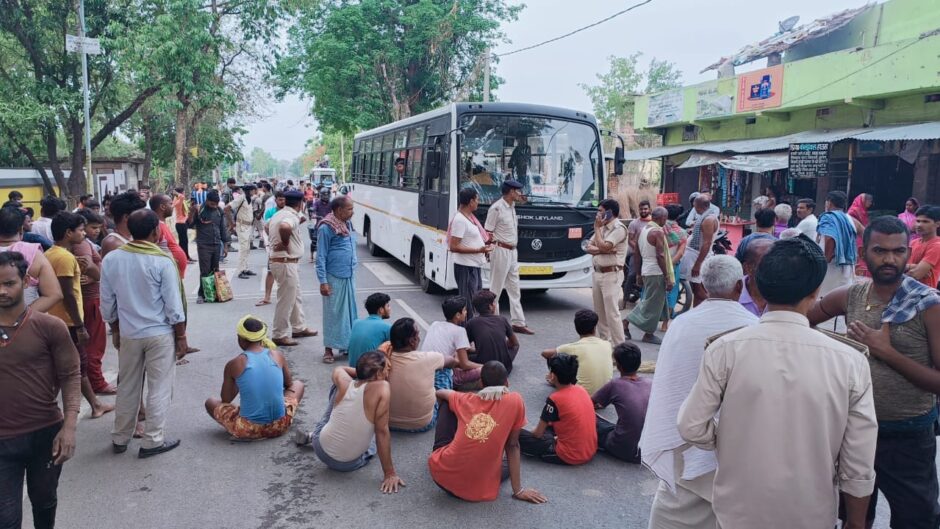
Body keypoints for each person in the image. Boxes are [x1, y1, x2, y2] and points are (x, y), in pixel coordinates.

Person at [678, 237, 877, 529]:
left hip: (738, 512)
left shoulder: (725, 349)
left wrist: (732, 438)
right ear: (816, 290)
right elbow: (858, 462)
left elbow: (690, 425)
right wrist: (856, 523)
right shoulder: (850, 360)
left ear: (758, 283)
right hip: (811, 513)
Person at [810, 216, 940, 528]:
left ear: (909, 253)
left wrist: (886, 352)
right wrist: (829, 351)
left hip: (908, 433)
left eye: (898, 251)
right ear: (864, 252)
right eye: (880, 251)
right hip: (854, 429)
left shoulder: (928, 305)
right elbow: (798, 321)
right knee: (854, 517)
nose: (889, 259)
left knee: (916, 519)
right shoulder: (851, 296)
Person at [641, 255, 759, 527]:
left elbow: (670, 384)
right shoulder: (755, 327)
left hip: (685, 435)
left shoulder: (682, 324)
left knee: (674, 507)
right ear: (740, 287)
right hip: (734, 445)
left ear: (703, 287)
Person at [0, 251, 81, 529]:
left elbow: (71, 375)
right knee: (6, 519)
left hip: (45, 434)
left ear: (26, 281)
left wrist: (69, 427)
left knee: (44, 502)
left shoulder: (50, 327)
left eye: (9, 283)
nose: (2, 291)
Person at [101, 209, 189, 458]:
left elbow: (107, 303)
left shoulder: (112, 259)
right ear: (156, 231)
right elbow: (173, 306)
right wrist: (181, 337)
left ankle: (120, 437)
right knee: (159, 388)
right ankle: (152, 441)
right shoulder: (162, 261)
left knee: (127, 385)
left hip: (129, 333)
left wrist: (115, 328)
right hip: (159, 333)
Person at [429, 360, 547, 504]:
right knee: (505, 462)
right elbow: (513, 446)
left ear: (480, 384)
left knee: (447, 403)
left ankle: (446, 451)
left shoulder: (465, 399)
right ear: (507, 383)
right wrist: (519, 491)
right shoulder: (515, 400)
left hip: (442, 477)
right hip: (479, 489)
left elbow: (440, 392)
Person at [292, 352, 404, 493]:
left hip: (320, 448)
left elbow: (340, 369)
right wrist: (390, 473)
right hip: (347, 464)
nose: (389, 372)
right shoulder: (383, 387)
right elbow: (382, 432)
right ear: (378, 374)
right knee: (374, 438)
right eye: (387, 369)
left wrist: (362, 374)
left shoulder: (345, 381)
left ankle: (313, 434)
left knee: (337, 387)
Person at [46, 212, 114, 419]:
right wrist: (80, 325)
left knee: (71, 367)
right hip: (68, 321)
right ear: (68, 233)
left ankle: (95, 405)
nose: (84, 234)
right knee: (76, 367)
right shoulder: (65, 258)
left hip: (58, 318)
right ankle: (50, 411)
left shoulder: (50, 254)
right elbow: (67, 294)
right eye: (81, 230)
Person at [205, 316, 305, 439]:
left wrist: (238, 380)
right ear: (262, 337)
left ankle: (250, 425)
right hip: (280, 425)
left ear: (240, 339)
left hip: (248, 429)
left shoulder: (234, 363)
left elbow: (226, 399)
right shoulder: (277, 355)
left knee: (210, 402)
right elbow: (289, 384)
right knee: (298, 385)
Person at [519, 354, 597, 465]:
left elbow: (537, 434)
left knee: (516, 433)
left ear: (553, 376)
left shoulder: (554, 399)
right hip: (590, 449)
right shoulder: (581, 389)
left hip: (569, 455)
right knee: (553, 424)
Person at [385, 318, 458, 432]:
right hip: (422, 424)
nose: (419, 337)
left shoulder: (383, 359)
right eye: (418, 334)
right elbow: (452, 361)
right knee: (444, 371)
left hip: (388, 422)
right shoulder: (428, 358)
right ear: (412, 341)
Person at [72, 209, 114, 395]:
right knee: (95, 344)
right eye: (91, 227)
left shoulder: (85, 243)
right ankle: (97, 382)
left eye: (98, 227)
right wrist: (96, 276)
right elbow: (87, 267)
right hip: (91, 299)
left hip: (89, 298)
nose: (96, 231)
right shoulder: (82, 245)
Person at [484, 179, 533, 335]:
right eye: (517, 191)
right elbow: (488, 232)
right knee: (495, 288)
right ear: (511, 191)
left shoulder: (511, 207)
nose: (519, 193)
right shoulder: (497, 208)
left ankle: (518, 322)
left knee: (514, 287)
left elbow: (525, 201)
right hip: (500, 250)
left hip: (512, 251)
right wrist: (488, 250)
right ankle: (492, 321)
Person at [269, 191, 317, 346]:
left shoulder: (280, 213)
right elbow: (284, 227)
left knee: (295, 296)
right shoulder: (290, 217)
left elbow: (266, 226)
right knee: (286, 300)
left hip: (284, 261)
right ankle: (279, 334)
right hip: (285, 262)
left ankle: (299, 327)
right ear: (300, 203)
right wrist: (283, 242)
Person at [592, 342, 650, 463]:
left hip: (625, 449)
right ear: (639, 364)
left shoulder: (615, 384)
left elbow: (588, 404)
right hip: (648, 451)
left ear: (618, 366)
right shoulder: (650, 383)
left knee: (594, 421)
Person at [317, 196, 357, 363]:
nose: (352, 212)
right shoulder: (326, 228)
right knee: (333, 314)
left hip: (348, 275)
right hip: (333, 277)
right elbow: (320, 257)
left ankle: (346, 344)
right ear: (339, 210)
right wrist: (323, 281)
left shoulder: (346, 224)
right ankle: (328, 349)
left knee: (348, 314)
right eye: (349, 209)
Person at [626, 207, 674, 344]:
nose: (666, 221)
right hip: (656, 272)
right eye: (665, 218)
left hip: (647, 270)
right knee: (650, 303)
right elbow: (660, 255)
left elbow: (637, 253)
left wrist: (639, 274)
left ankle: (651, 330)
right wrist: (667, 276)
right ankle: (629, 324)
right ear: (661, 218)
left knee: (656, 302)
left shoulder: (643, 230)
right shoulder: (657, 232)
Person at [0, 206, 63, 311]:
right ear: (21, 229)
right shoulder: (34, 254)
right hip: (28, 321)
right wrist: (21, 317)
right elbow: (54, 294)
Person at [541, 309, 613, 396]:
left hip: (581, 397)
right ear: (594, 328)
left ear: (576, 328)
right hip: (603, 397)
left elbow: (545, 353)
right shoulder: (607, 344)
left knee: (560, 359)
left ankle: (555, 380)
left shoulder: (573, 347)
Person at [586, 199, 628, 345]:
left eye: (601, 211)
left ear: (610, 212)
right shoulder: (603, 228)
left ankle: (620, 348)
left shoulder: (619, 228)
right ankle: (606, 346)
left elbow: (603, 246)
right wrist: (603, 249)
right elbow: (587, 246)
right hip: (597, 273)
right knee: (600, 314)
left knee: (612, 314)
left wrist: (598, 232)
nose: (598, 214)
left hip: (612, 274)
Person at [421, 296, 483, 390]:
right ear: (458, 315)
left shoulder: (435, 324)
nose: (466, 313)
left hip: (424, 370)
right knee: (482, 370)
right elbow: (465, 364)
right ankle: (460, 385)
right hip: (441, 373)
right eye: (465, 310)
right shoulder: (459, 331)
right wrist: (484, 366)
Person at [448, 188, 491, 319]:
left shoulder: (469, 218)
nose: (478, 202)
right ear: (471, 201)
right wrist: (479, 250)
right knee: (468, 303)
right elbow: (453, 246)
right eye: (477, 199)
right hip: (465, 266)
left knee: (476, 300)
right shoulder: (460, 220)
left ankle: (472, 330)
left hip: (474, 265)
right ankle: (468, 332)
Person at [465, 290, 519, 373]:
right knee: (516, 346)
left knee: (463, 355)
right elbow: (514, 343)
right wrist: (502, 345)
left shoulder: (471, 323)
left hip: (483, 364)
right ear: (490, 306)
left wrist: (475, 350)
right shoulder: (502, 319)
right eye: (494, 303)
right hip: (504, 366)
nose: (495, 305)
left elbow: (464, 347)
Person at [817, 190, 857, 297]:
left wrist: (827, 258)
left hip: (831, 266)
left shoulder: (828, 217)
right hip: (847, 265)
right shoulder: (849, 218)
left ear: (829, 203)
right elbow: (865, 232)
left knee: (825, 299)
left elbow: (830, 237)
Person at [679, 194, 717, 306]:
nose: (694, 208)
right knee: (697, 291)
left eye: (695, 206)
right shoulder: (705, 217)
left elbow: (706, 243)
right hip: (694, 255)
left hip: (697, 257)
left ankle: (713, 307)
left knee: (699, 291)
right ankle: (697, 312)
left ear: (699, 206)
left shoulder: (708, 220)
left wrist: (697, 264)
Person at [189, 190, 225, 304]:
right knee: (205, 271)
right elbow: (189, 224)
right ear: (207, 201)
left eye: (216, 204)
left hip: (217, 244)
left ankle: (215, 293)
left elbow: (222, 228)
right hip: (204, 244)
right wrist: (191, 213)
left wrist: (226, 245)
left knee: (215, 270)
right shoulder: (199, 209)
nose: (214, 206)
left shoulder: (219, 210)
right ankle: (201, 294)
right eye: (212, 204)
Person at [256, 192, 286, 307]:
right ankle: (267, 297)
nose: (282, 202)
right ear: (276, 201)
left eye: (283, 200)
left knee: (288, 270)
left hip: (287, 245)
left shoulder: (288, 212)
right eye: (280, 200)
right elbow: (267, 227)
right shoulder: (270, 212)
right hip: (274, 245)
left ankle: (287, 296)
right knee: (270, 271)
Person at [348, 293, 393, 368]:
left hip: (352, 369)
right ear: (381, 310)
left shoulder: (356, 323)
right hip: (369, 372)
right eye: (388, 306)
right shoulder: (387, 327)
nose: (390, 308)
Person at [662, 204, 688, 330]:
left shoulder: (659, 229)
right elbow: (680, 252)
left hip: (658, 264)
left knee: (656, 293)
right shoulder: (682, 233)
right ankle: (665, 324)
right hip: (673, 265)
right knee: (671, 293)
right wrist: (670, 264)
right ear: (678, 216)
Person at [150, 194, 188, 278]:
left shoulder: (162, 224)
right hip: (168, 274)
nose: (173, 206)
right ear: (162, 207)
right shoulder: (157, 227)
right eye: (170, 204)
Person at [736, 236, 774, 317]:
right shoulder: (732, 295)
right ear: (748, 268)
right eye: (767, 264)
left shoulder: (785, 295)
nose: (775, 269)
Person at [101, 190, 146, 258]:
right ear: (126, 217)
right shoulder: (113, 243)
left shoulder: (132, 237)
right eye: (139, 214)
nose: (142, 218)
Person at [624, 200, 652, 304]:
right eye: (641, 209)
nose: (643, 211)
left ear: (649, 209)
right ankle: (624, 299)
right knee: (632, 275)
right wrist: (640, 249)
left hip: (650, 254)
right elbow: (630, 239)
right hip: (635, 253)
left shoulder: (654, 222)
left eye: (645, 209)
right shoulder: (634, 223)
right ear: (638, 210)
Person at [226, 184, 257, 279]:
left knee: (247, 249)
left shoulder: (249, 199)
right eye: (253, 190)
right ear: (249, 191)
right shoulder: (241, 198)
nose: (254, 191)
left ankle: (245, 268)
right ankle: (240, 271)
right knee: (243, 249)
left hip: (248, 226)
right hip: (242, 226)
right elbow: (227, 208)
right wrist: (231, 223)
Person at [908, 205, 940, 288]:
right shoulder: (913, 243)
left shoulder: (937, 245)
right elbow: (900, 265)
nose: (919, 225)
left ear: (937, 224)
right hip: (906, 291)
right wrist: (911, 266)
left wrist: (906, 268)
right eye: (918, 221)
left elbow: (916, 275)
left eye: (925, 222)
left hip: (924, 295)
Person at [848, 193, 873, 276]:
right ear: (864, 200)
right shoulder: (854, 211)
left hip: (862, 236)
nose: (870, 204)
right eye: (869, 201)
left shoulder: (863, 211)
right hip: (856, 237)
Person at [172, 186, 193, 263]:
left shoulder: (178, 200)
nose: (184, 193)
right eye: (183, 191)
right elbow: (182, 196)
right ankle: (184, 258)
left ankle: (187, 257)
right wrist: (176, 192)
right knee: (183, 242)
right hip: (181, 223)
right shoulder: (179, 199)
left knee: (184, 242)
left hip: (182, 223)